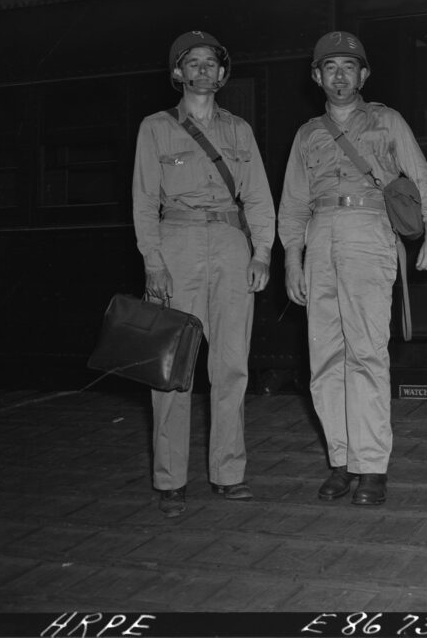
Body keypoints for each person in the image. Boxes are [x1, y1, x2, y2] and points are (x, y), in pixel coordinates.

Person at [278, 31, 427, 507]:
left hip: (369, 233)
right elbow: (292, 204)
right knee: (325, 356)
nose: (339, 75)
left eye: (349, 67)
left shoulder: (387, 121)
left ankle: (371, 466)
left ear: (364, 74)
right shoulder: (308, 134)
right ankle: (342, 460)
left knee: (367, 352)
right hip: (319, 237)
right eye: (329, 67)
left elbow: (423, 180)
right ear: (316, 77)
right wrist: (292, 258)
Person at [133, 30, 276, 518]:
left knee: (232, 365)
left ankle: (228, 473)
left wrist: (262, 253)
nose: (201, 70)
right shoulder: (155, 127)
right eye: (191, 63)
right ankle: (171, 480)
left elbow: (257, 195)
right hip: (177, 244)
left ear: (222, 73)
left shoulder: (238, 130)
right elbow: (144, 199)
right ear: (177, 73)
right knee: (173, 367)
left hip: (232, 246)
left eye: (210, 63)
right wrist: (153, 260)